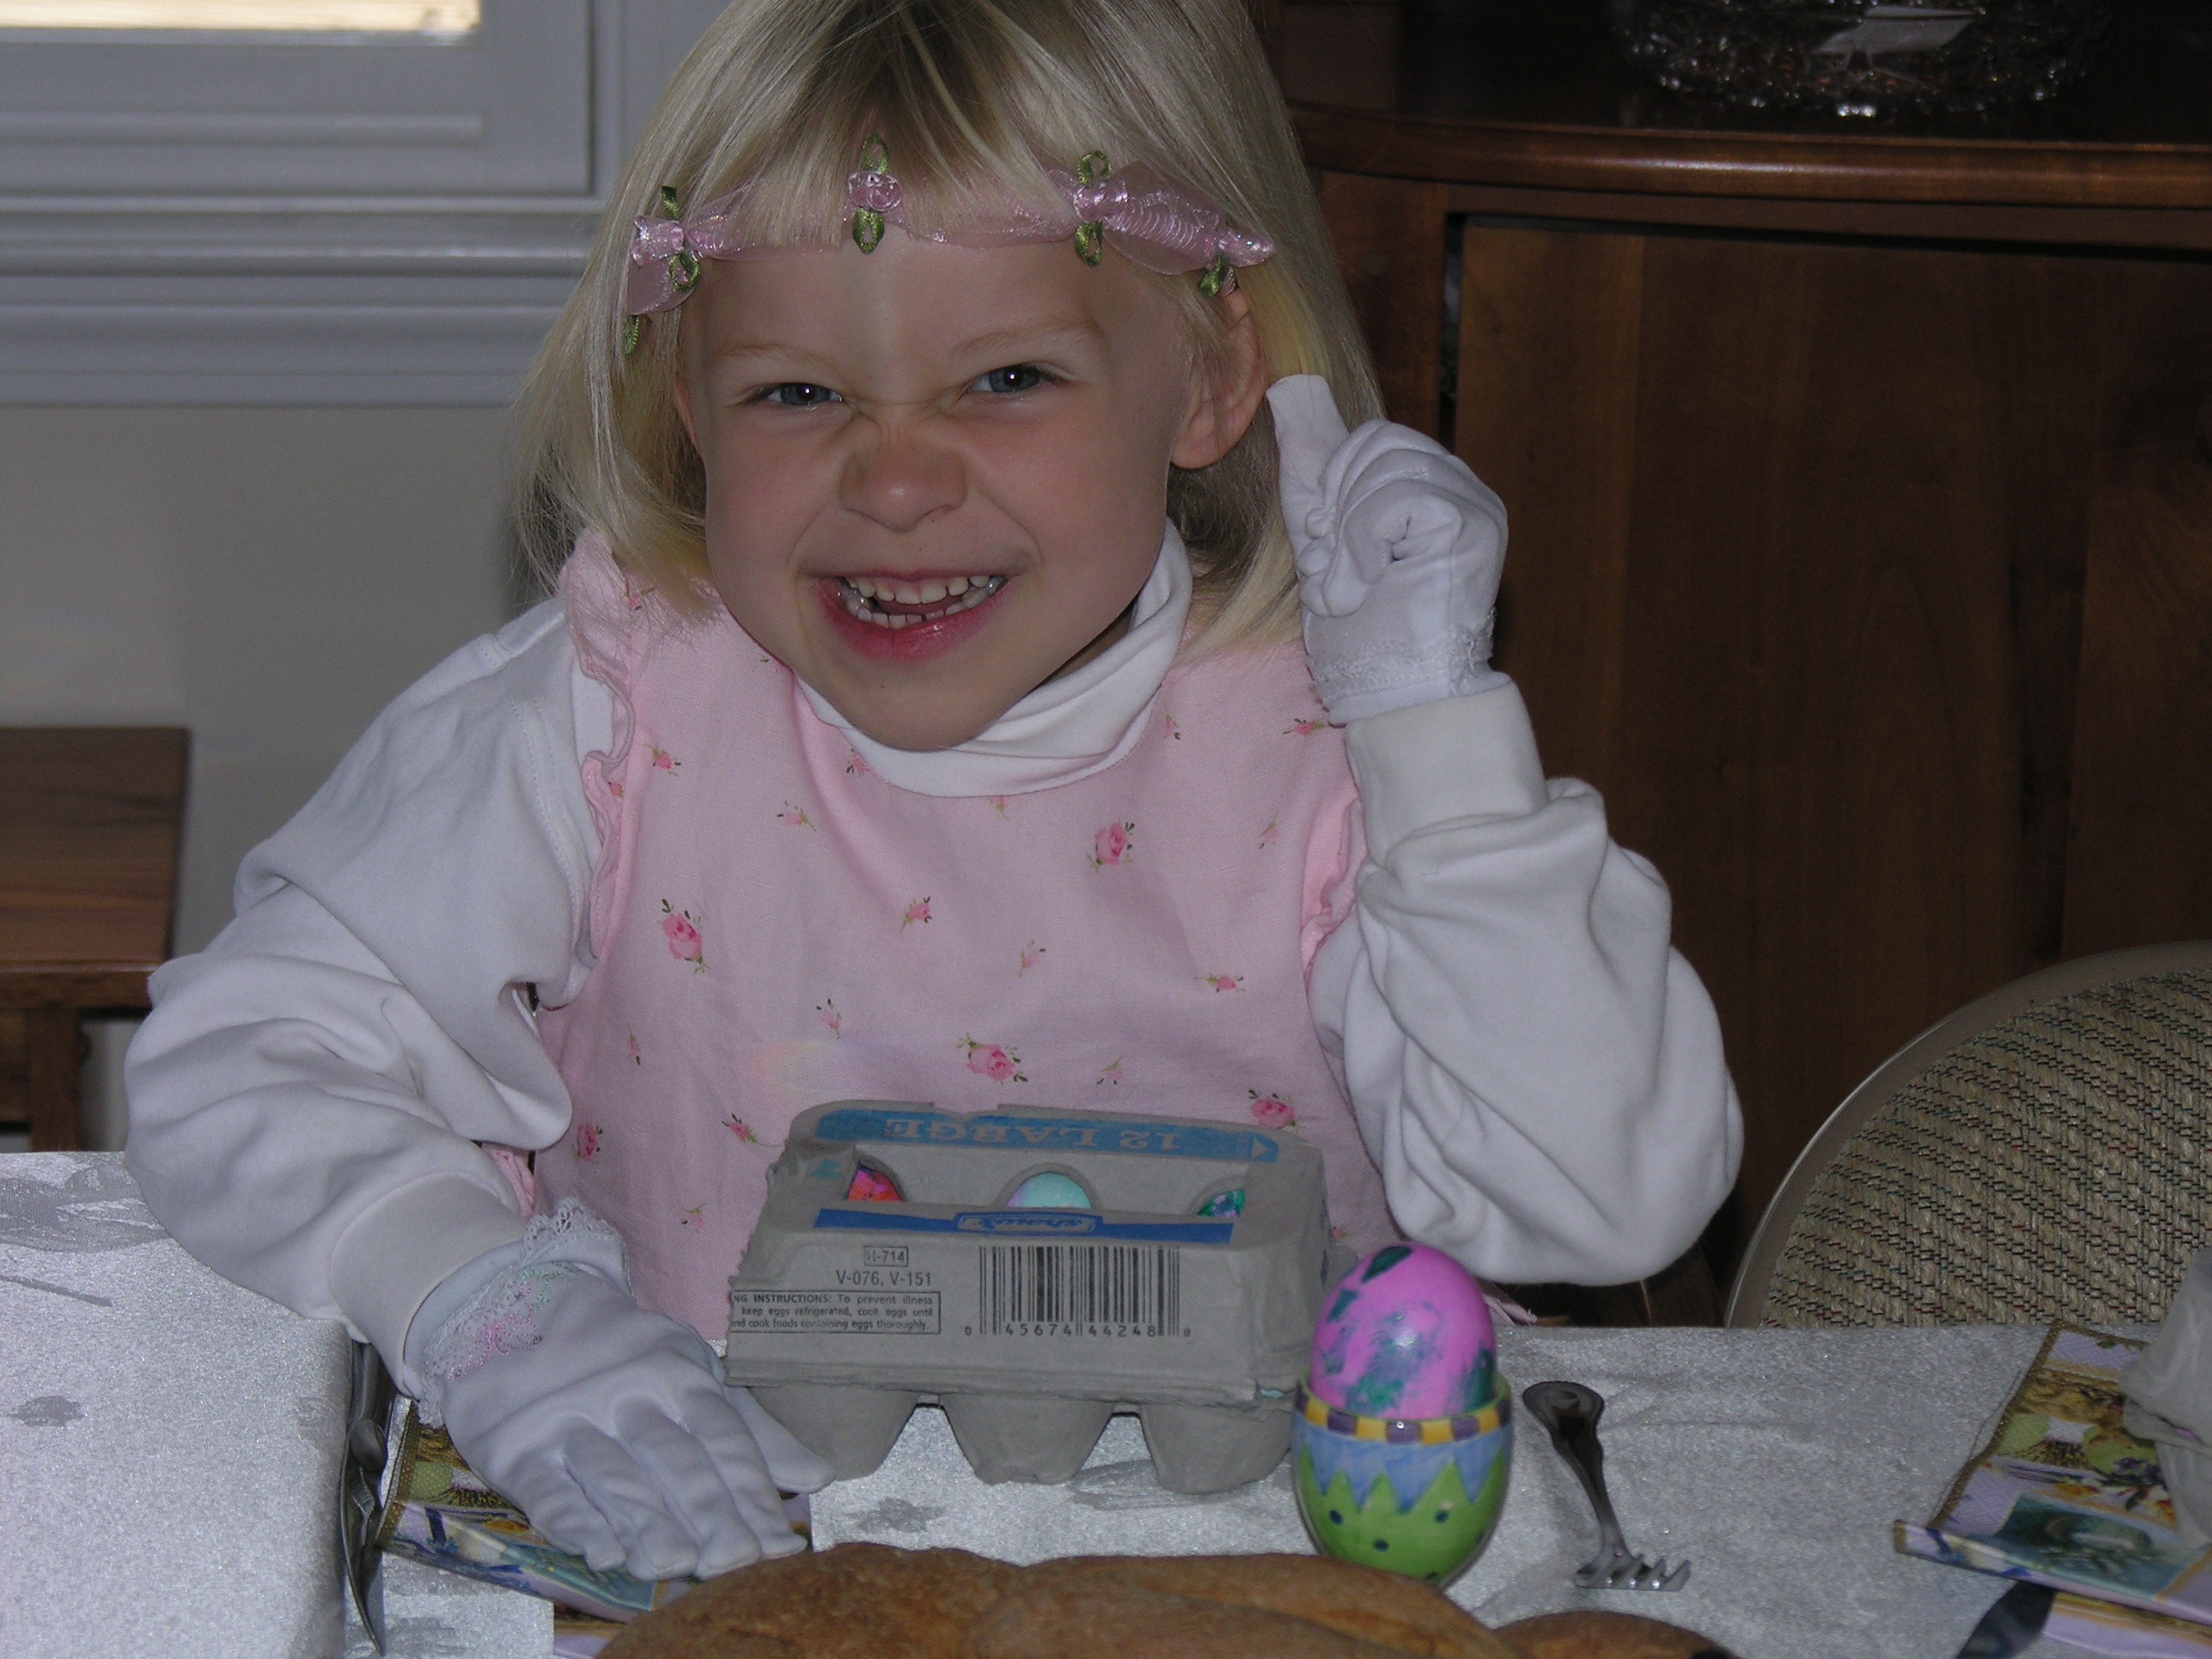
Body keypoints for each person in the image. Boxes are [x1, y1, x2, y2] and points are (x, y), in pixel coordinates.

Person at [124, 0, 1739, 1590]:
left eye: (1008, 377)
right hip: (719, 1570)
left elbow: (1602, 1200)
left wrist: (1437, 736)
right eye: (797, 393)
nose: (895, 482)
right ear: (686, 397)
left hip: (1254, 1587)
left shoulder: (1340, 752)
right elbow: (238, 1058)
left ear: (1209, 379)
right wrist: (486, 1302)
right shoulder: (614, 706)